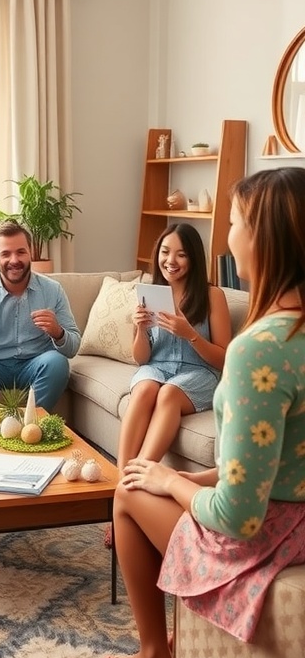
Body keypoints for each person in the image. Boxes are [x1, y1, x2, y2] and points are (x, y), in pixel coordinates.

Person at [102, 167, 305, 658]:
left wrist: (172, 481)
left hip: (266, 539)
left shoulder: (260, 349)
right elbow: (282, 457)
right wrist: (211, 473)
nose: (228, 236)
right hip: (298, 521)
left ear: (263, 240)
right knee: (147, 438)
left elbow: (238, 517)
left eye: (234, 221)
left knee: (127, 494)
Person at [103, 223, 230, 547]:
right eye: (164, 252)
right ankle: (123, 485)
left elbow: (224, 359)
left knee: (169, 395)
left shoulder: (212, 295)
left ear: (194, 259)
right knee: (144, 390)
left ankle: (134, 486)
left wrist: (190, 333)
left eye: (181, 254)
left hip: (198, 372)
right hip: (157, 367)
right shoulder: (149, 292)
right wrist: (141, 330)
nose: (170, 260)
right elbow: (141, 359)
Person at [0, 219, 81, 410]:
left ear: (30, 253)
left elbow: (72, 349)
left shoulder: (52, 290)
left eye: (20, 252)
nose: (14, 260)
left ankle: (32, 424)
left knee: (58, 363)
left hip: (35, 364)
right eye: (5, 254)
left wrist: (58, 332)